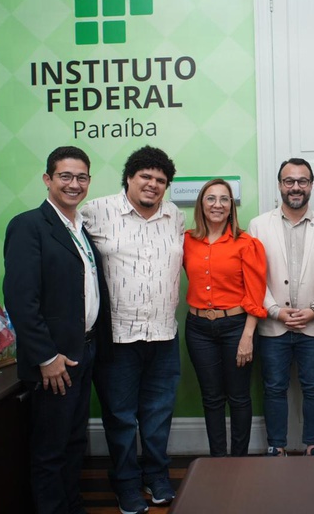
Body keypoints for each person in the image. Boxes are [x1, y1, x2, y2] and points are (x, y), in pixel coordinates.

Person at [3, 146, 112, 514]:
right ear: (47, 179)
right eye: (65, 176)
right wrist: (46, 357)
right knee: (50, 449)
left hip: (84, 352)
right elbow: (21, 299)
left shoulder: (80, 228)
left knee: (74, 441)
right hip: (55, 360)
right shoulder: (29, 226)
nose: (74, 184)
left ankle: (72, 506)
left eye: (81, 177)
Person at [82, 146, 184, 514]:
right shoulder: (96, 211)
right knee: (121, 417)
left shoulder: (175, 216)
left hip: (164, 335)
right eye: (146, 176)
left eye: (161, 180)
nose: (153, 184)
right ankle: (125, 483)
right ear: (129, 177)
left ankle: (156, 476)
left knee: (158, 414)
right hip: (117, 338)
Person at [248, 158, 314, 457]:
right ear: (280, 185)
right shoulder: (259, 225)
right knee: (274, 388)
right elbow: (253, 276)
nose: (296, 187)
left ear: (311, 185)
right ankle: (277, 447)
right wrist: (274, 310)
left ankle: (313, 446)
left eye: (302, 181)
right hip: (273, 325)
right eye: (289, 181)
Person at [183, 178, 268, 457]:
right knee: (211, 398)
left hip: (236, 327)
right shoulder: (186, 241)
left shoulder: (246, 244)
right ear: (201, 204)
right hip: (198, 329)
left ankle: (238, 461)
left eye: (224, 199)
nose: (217, 204)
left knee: (239, 397)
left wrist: (247, 336)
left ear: (231, 206)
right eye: (211, 198)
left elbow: (255, 294)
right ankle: (218, 461)